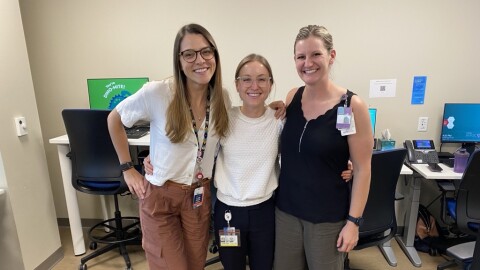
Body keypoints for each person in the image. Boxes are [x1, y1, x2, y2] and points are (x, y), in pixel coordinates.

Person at [144, 53, 354, 270]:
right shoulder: (222, 118)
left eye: (262, 79)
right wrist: (154, 156)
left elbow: (306, 147)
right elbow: (195, 145)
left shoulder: (279, 121)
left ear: (271, 84)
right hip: (228, 214)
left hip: (265, 212)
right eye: (246, 79)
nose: (254, 86)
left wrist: (345, 161)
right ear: (236, 84)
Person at [107, 23, 229, 270]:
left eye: (207, 51)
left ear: (215, 55)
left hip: (198, 196)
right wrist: (127, 168)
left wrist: (276, 109)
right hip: (161, 196)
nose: (200, 60)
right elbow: (114, 119)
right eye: (189, 54)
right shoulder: (158, 92)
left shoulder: (221, 98)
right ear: (179, 60)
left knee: (196, 265)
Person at [274, 25, 373, 270]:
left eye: (316, 54)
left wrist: (353, 223)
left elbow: (362, 169)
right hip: (286, 212)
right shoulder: (292, 97)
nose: (308, 62)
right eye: (300, 57)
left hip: (327, 218)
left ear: (331, 55)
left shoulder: (350, 106)